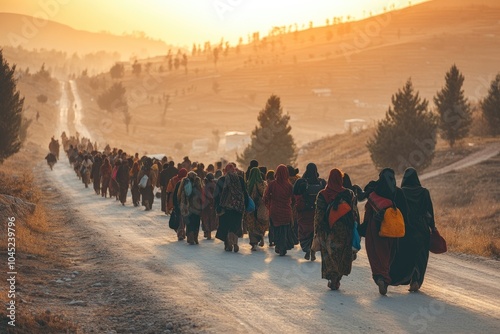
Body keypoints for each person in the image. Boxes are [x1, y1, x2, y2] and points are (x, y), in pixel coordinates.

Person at [363, 168, 409, 295]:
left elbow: (368, 210)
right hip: (392, 230)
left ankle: (379, 277)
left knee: (375, 253)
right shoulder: (398, 193)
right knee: (389, 254)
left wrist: (364, 227)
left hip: (374, 229)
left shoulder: (375, 192)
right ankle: (385, 278)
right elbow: (404, 213)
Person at [314, 169, 358, 290]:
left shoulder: (323, 194)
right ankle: (337, 277)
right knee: (342, 254)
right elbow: (354, 213)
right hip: (344, 230)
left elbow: (319, 214)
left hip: (327, 230)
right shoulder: (349, 194)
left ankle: (332, 277)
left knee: (329, 254)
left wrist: (317, 230)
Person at [393, 167, 436, 292]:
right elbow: (429, 212)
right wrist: (432, 227)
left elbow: (396, 211)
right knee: (421, 256)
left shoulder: (401, 192)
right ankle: (416, 280)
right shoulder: (424, 192)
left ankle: (408, 277)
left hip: (406, 229)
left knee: (407, 254)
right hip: (422, 228)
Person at [293, 163, 326, 261]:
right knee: (314, 231)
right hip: (316, 212)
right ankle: (313, 250)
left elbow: (294, 193)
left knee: (304, 231)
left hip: (304, 212)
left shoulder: (301, 182)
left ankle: (307, 249)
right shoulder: (322, 183)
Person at [263, 165, 297, 256]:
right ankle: (283, 246)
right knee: (285, 229)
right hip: (286, 210)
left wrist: (269, 205)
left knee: (276, 228)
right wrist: (290, 206)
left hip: (274, 210)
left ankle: (278, 245)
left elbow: (265, 197)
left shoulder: (272, 184)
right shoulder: (289, 185)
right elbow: (294, 199)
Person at [214, 163, 248, 252]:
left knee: (226, 225)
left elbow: (216, 195)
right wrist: (246, 204)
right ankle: (235, 242)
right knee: (236, 225)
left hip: (225, 207)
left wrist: (217, 206)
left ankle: (228, 241)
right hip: (238, 207)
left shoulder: (221, 179)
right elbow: (245, 193)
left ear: (225, 170)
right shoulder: (239, 179)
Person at [245, 167, 269, 251]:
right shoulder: (264, 184)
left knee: (251, 225)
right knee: (261, 223)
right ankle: (260, 235)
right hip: (261, 207)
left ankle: (254, 243)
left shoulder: (248, 184)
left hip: (251, 208)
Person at [177, 171, 203, 245]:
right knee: (196, 222)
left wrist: (180, 203)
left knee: (189, 223)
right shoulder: (198, 182)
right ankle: (195, 237)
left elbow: (179, 194)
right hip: (197, 207)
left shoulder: (185, 181)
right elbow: (202, 194)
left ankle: (190, 238)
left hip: (188, 206)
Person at [168, 168, 188, 240]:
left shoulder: (174, 180)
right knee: (183, 218)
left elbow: (170, 191)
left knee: (178, 218)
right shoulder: (187, 182)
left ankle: (180, 232)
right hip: (186, 203)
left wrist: (171, 203)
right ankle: (181, 232)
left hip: (177, 202)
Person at [201, 173, 218, 240]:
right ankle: (209, 233)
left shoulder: (205, 186)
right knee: (211, 218)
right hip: (212, 205)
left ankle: (207, 233)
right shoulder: (214, 185)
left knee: (206, 219)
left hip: (205, 205)